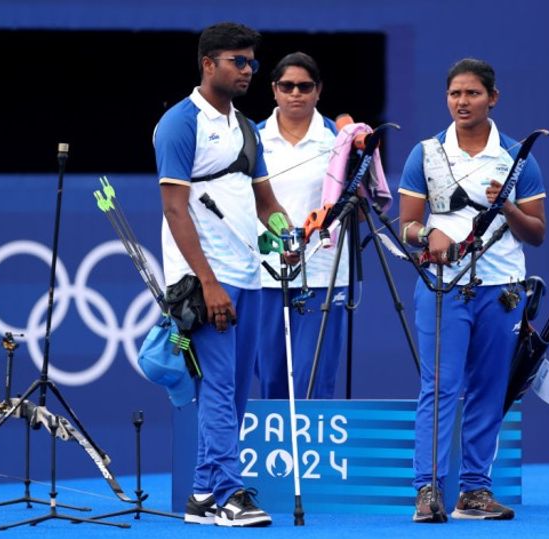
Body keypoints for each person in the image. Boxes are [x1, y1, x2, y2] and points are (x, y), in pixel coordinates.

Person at [153, 22, 295, 528]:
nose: (249, 70)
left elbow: (265, 203)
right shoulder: (179, 124)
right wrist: (209, 283)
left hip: (250, 275)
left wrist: (287, 232)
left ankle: (201, 495)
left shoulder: (248, 128)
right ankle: (230, 493)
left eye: (252, 62)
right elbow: (175, 210)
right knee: (216, 385)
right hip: (203, 280)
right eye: (239, 61)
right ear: (208, 63)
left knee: (235, 390)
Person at [398, 57, 546, 523]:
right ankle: (428, 490)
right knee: (440, 386)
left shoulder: (517, 156)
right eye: (455, 94)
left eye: (473, 93)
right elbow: (406, 226)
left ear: (493, 97)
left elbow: (537, 232)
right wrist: (428, 236)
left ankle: (475, 492)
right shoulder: (425, 153)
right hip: (443, 287)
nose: (462, 102)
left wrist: (506, 206)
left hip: (501, 287)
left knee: (488, 388)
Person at [255, 52, 348, 399]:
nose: (296, 93)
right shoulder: (252, 137)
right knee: (272, 378)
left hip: (323, 273)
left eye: (304, 86)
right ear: (274, 90)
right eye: (287, 85)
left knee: (315, 379)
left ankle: (315, 456)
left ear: (318, 90)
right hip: (265, 274)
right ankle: (275, 455)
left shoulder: (338, 142)